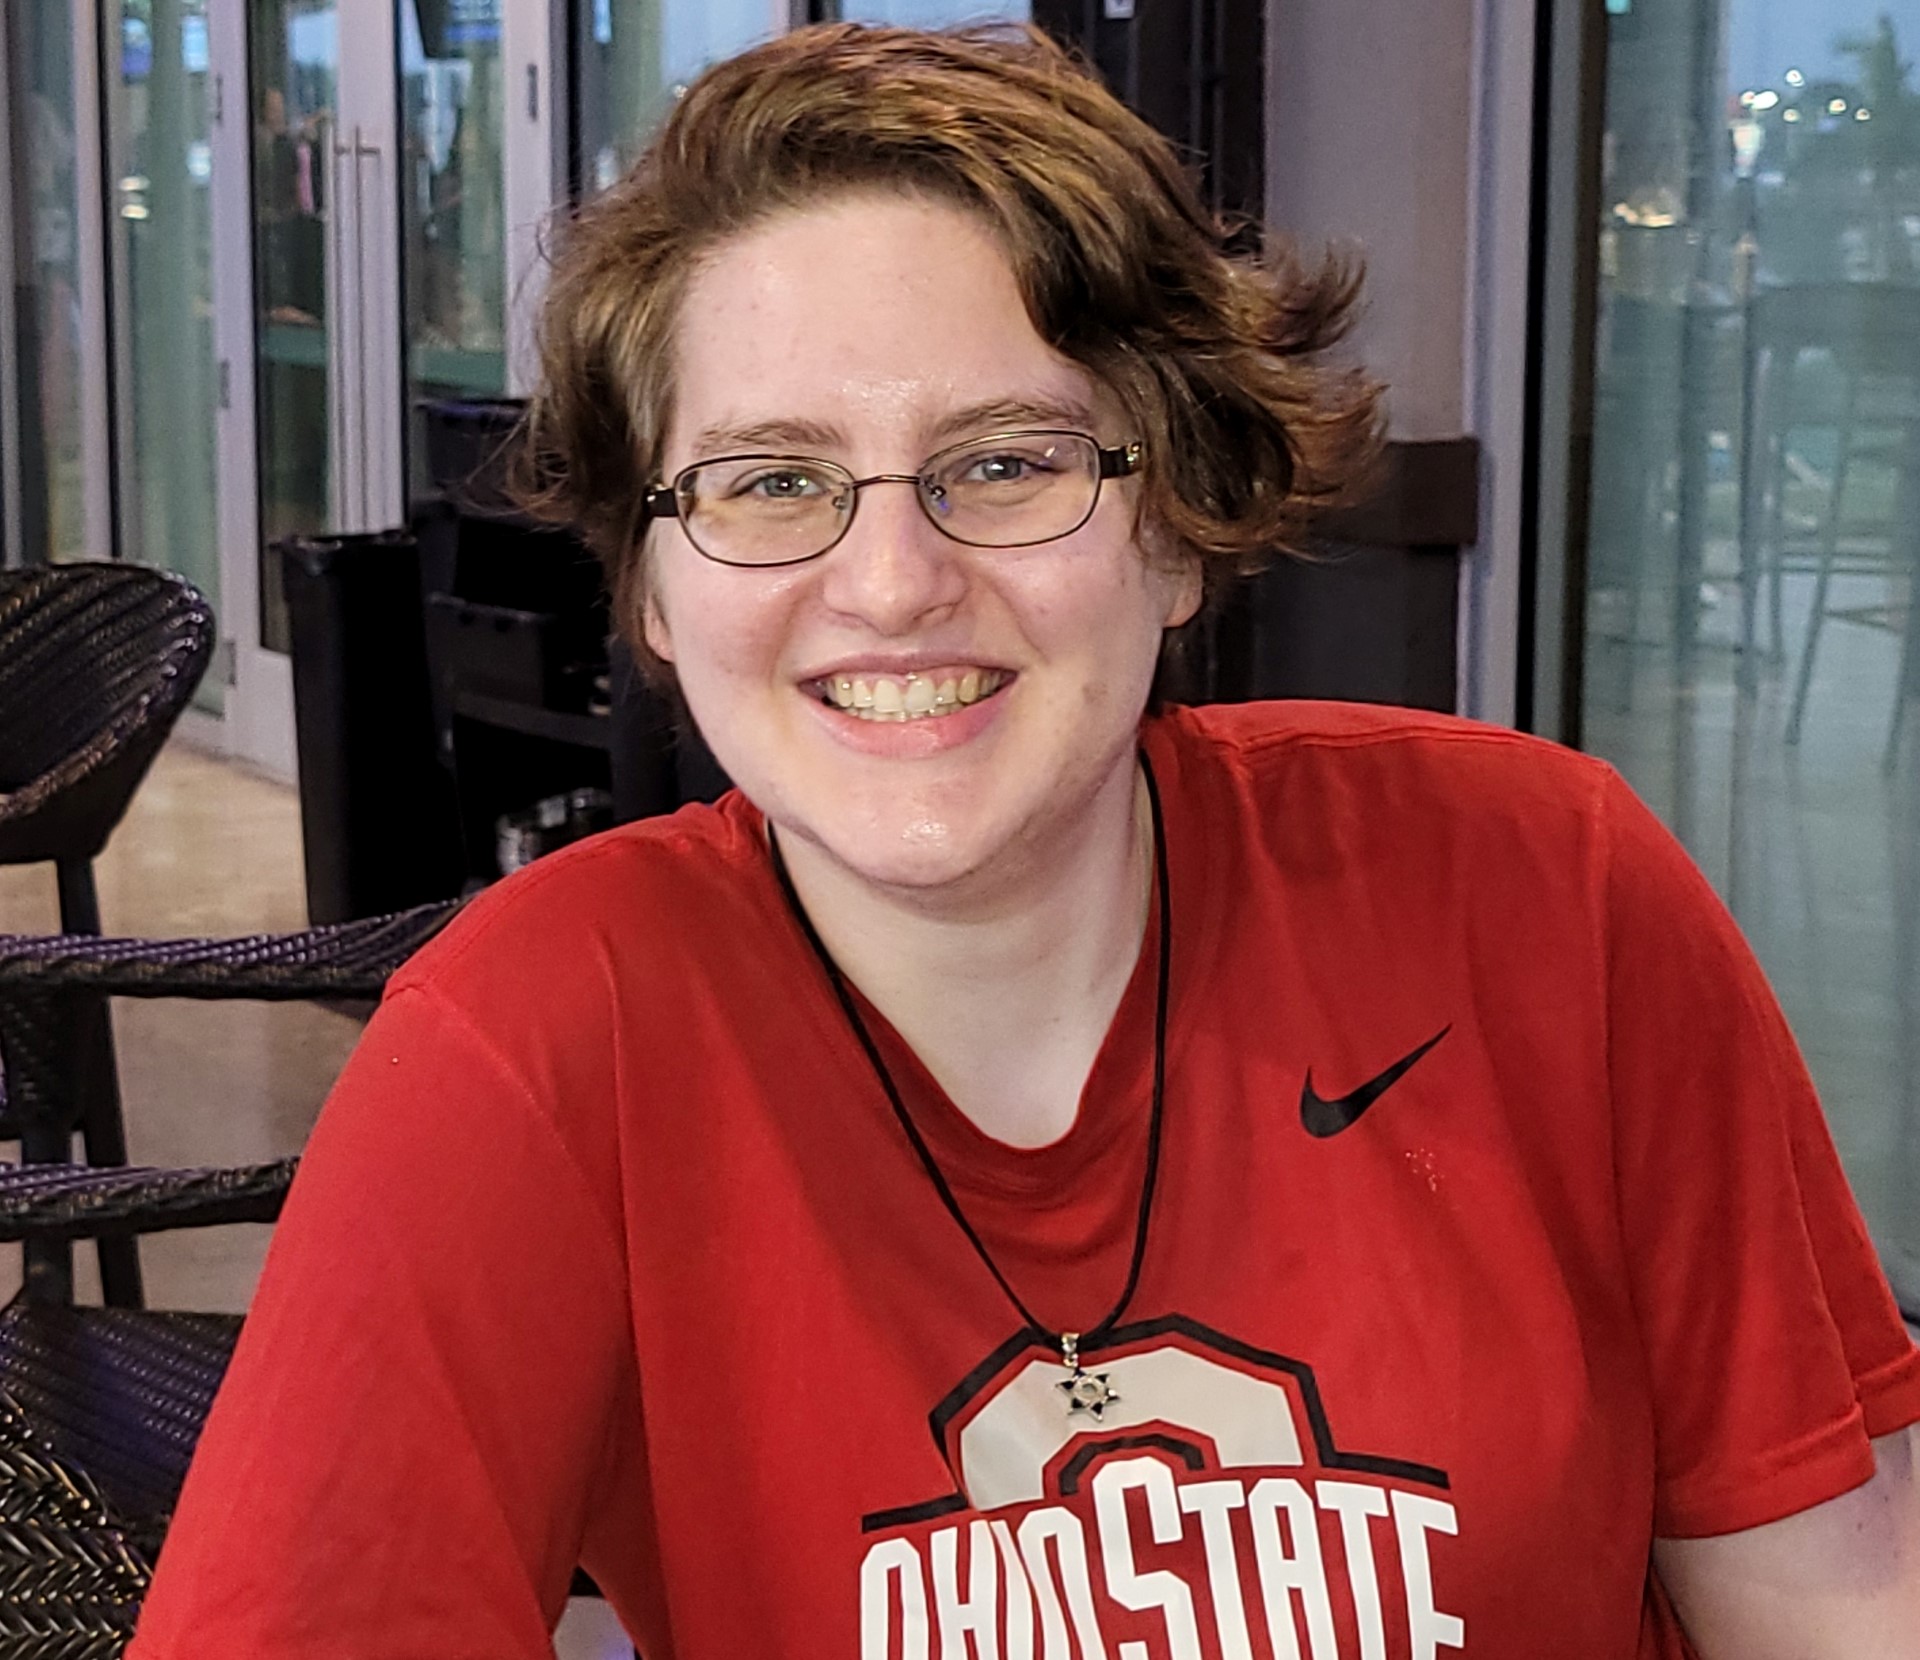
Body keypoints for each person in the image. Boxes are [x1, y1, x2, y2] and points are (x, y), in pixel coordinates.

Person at [130, 23, 1920, 1660]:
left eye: (1005, 463)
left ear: (1179, 523)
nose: (893, 584)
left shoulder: (1538, 891)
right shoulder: (537, 1041)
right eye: (771, 481)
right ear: (655, 584)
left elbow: (1830, 1602)